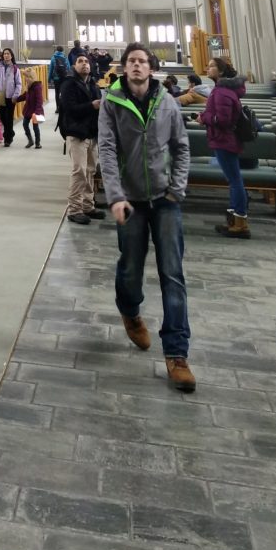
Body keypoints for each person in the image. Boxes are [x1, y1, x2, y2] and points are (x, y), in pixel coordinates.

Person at [100, 43, 195, 393]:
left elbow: (181, 146)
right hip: (130, 200)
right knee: (130, 267)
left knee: (173, 273)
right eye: (131, 61)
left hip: (166, 198)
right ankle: (130, 310)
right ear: (124, 68)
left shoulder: (167, 101)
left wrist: (177, 189)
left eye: (142, 61)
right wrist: (115, 196)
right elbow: (107, 150)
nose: (137, 66)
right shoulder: (112, 102)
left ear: (151, 68)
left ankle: (177, 353)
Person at [200, 57, 252, 238]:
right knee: (235, 180)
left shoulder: (222, 92)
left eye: (212, 66)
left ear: (221, 71)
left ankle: (240, 223)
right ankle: (236, 218)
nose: (208, 67)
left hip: (224, 140)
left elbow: (222, 120)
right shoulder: (225, 90)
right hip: (226, 140)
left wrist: (204, 119)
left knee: (235, 181)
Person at [56, 55, 101, 222]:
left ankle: (88, 205)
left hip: (91, 133)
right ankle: (74, 209)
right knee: (79, 171)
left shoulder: (92, 84)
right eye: (80, 61)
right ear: (74, 66)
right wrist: (92, 105)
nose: (84, 64)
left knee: (90, 170)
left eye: (86, 62)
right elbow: (69, 108)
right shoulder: (68, 84)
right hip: (76, 133)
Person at [0, 47, 23, 147]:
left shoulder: (15, 68)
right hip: (0, 95)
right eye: (4, 54)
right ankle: (10, 132)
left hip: (11, 96)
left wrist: (16, 95)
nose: (6, 55)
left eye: (8, 53)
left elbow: (18, 83)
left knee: (9, 117)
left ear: (11, 55)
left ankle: (7, 138)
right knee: (2, 117)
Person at [21, 71, 46, 150]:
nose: (26, 79)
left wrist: (37, 112)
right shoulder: (28, 86)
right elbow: (25, 95)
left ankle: (37, 143)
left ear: (32, 78)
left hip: (35, 111)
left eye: (28, 77)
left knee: (35, 127)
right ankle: (30, 140)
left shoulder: (37, 87)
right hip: (28, 109)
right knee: (25, 124)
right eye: (26, 77)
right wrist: (16, 99)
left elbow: (39, 101)